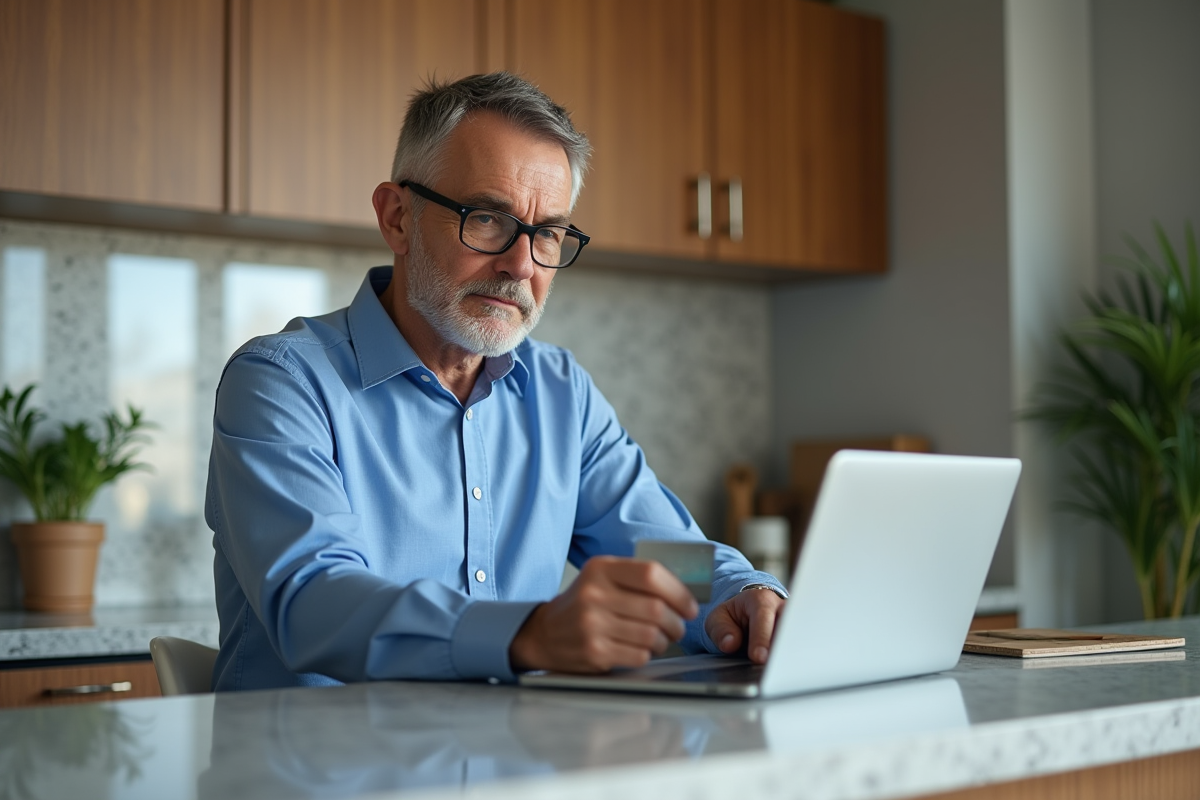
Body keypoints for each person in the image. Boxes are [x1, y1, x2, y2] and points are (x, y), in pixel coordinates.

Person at [206, 72, 786, 691]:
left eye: (549, 235)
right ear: (397, 218)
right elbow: (314, 602)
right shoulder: (282, 383)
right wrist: (527, 634)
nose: (520, 265)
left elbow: (660, 556)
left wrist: (741, 593)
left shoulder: (561, 391)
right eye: (486, 219)